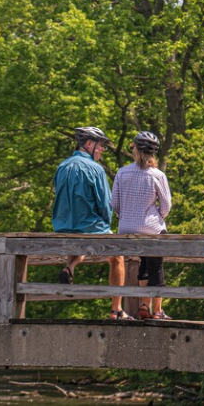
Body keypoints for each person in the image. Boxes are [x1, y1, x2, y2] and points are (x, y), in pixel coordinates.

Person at [52, 126, 131, 319]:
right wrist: (106, 223)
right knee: (117, 257)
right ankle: (116, 309)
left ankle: (69, 267)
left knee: (79, 244)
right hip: (90, 226)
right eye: (100, 145)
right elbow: (105, 203)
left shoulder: (62, 166)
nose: (102, 149)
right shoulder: (95, 169)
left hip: (62, 226)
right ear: (88, 144)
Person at [111, 131, 172, 320]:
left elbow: (115, 205)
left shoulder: (122, 172)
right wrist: (157, 218)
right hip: (151, 228)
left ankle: (144, 304)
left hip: (126, 229)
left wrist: (126, 218)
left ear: (135, 150)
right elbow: (166, 205)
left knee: (144, 263)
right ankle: (157, 310)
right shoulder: (157, 175)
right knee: (156, 266)